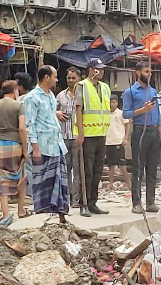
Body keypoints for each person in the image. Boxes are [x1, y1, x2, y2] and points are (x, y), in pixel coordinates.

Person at [25, 66, 70, 222]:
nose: (57, 80)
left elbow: (49, 116)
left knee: (60, 181)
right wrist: (35, 148)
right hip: (43, 147)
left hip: (56, 145)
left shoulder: (51, 96)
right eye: (55, 77)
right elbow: (30, 124)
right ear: (46, 77)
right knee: (42, 183)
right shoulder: (32, 98)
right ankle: (42, 217)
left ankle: (61, 216)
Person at [0, 80, 28, 224]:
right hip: (15, 145)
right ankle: (21, 210)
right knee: (21, 176)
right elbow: (22, 128)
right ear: (15, 89)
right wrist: (25, 149)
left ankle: (5, 214)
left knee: (1, 179)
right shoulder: (19, 106)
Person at [121, 62, 161, 213]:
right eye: (146, 71)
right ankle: (136, 203)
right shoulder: (130, 92)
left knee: (153, 169)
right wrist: (142, 110)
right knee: (138, 169)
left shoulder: (153, 91)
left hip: (154, 132)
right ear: (137, 72)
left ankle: (151, 202)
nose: (149, 74)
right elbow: (126, 113)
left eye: (150, 72)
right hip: (140, 131)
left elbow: (157, 114)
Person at [76, 59, 112, 216]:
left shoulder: (105, 87)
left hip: (101, 134)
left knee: (98, 171)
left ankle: (93, 202)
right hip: (88, 135)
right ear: (91, 69)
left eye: (102, 69)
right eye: (98, 68)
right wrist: (80, 133)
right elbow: (79, 110)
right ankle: (83, 203)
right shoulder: (82, 86)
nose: (101, 71)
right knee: (86, 171)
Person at [56, 67, 83, 208]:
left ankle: (76, 200)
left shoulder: (83, 94)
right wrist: (56, 113)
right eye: (69, 78)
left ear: (79, 78)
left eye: (73, 78)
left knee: (78, 170)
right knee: (65, 169)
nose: (71, 80)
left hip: (78, 137)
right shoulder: (60, 95)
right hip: (64, 137)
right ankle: (66, 198)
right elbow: (51, 110)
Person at [104, 95, 130, 191]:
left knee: (121, 164)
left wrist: (125, 138)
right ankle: (111, 183)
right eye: (110, 102)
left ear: (117, 103)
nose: (112, 104)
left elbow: (127, 126)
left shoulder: (121, 113)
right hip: (108, 142)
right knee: (110, 164)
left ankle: (128, 182)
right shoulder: (105, 114)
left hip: (118, 142)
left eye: (113, 102)